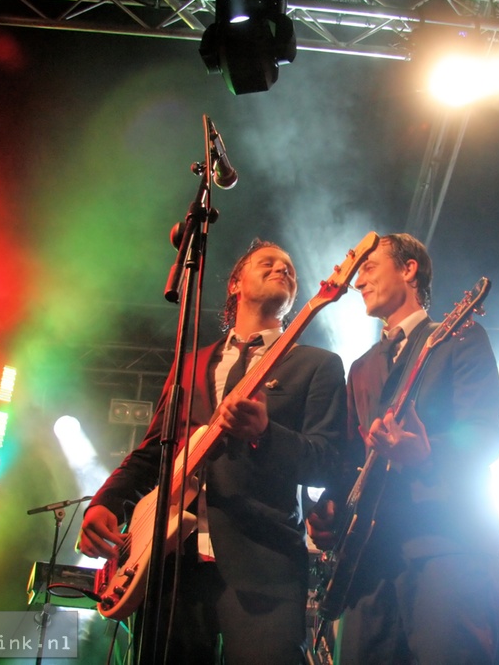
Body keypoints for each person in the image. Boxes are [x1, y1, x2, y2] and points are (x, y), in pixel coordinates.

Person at [76, 239, 347, 664]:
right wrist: (106, 500)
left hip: (265, 566)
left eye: (289, 267)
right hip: (171, 567)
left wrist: (265, 433)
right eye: (268, 262)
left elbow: (328, 460)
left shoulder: (317, 364)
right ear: (235, 283)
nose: (283, 269)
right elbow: (153, 453)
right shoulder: (190, 363)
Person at [308, 232, 499, 664]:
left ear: (408, 268)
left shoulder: (460, 337)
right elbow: (350, 460)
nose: (358, 282)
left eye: (369, 268)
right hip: (367, 560)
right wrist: (328, 507)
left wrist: (426, 452)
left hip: (445, 542)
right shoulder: (361, 367)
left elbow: (485, 435)